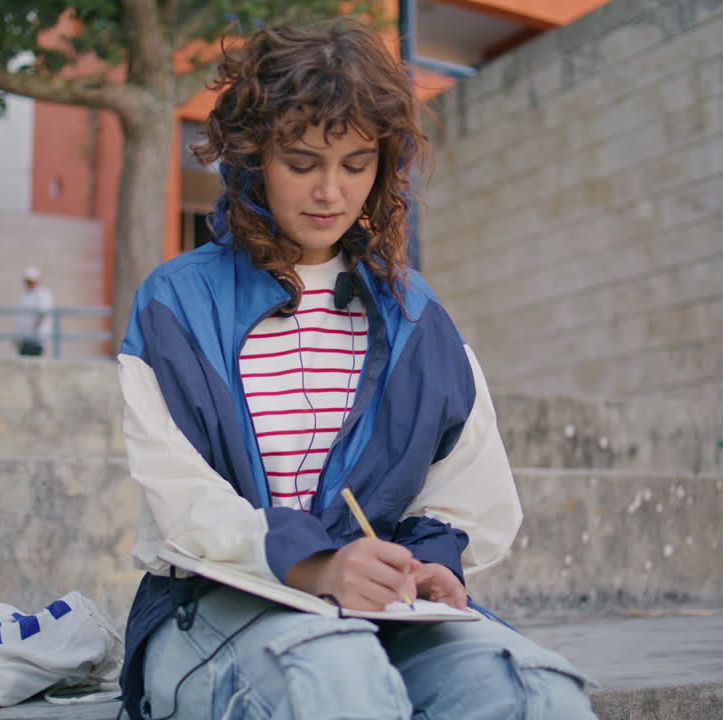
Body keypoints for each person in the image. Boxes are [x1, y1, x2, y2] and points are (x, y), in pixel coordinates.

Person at [116, 19, 597, 720]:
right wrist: (315, 564)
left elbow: (465, 487)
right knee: (334, 681)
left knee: (538, 695)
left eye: (356, 164)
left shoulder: (414, 314)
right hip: (213, 607)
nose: (330, 192)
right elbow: (183, 501)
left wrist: (431, 564)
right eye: (301, 162)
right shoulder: (176, 302)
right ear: (253, 155)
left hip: (381, 614)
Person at [16, 266, 53, 356]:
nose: (29, 284)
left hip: (36, 339)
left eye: (31, 281)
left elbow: (42, 313)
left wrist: (33, 332)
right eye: (27, 281)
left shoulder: (42, 293)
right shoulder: (27, 294)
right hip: (26, 339)